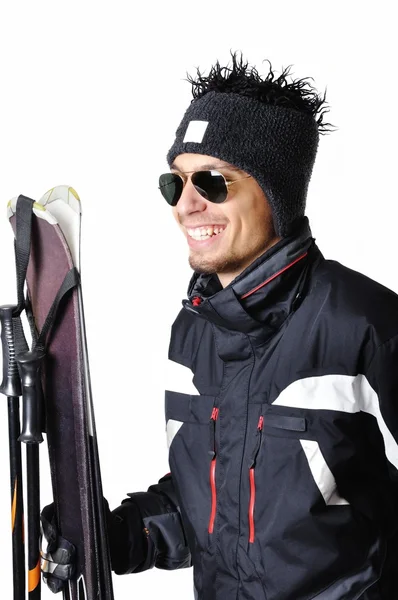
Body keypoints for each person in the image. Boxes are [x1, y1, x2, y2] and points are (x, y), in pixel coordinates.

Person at [42, 52, 398, 599]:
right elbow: (211, 508)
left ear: (274, 194)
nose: (185, 204)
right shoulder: (193, 334)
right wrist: (120, 536)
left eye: (212, 181)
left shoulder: (365, 324)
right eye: (175, 182)